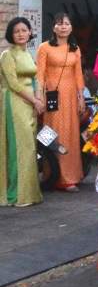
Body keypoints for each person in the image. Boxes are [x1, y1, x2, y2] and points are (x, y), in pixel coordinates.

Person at [36, 13, 87, 192]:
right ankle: (54, 175)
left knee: (71, 135)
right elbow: (39, 74)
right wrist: (39, 96)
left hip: (71, 96)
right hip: (52, 97)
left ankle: (71, 177)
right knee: (54, 134)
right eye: (59, 24)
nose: (63, 26)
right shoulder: (44, 48)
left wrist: (81, 98)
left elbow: (78, 75)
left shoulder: (75, 49)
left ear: (71, 27)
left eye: (66, 23)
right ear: (53, 28)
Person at [1, 17, 43, 207]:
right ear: (11, 34)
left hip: (30, 104)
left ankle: (29, 193)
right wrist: (34, 100)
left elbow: (35, 79)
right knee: (18, 147)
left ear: (29, 32)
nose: (20, 34)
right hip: (15, 102)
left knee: (29, 148)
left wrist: (39, 99)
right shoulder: (7, 55)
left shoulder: (28, 54)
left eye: (24, 30)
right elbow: (14, 84)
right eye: (16, 31)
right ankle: (14, 194)